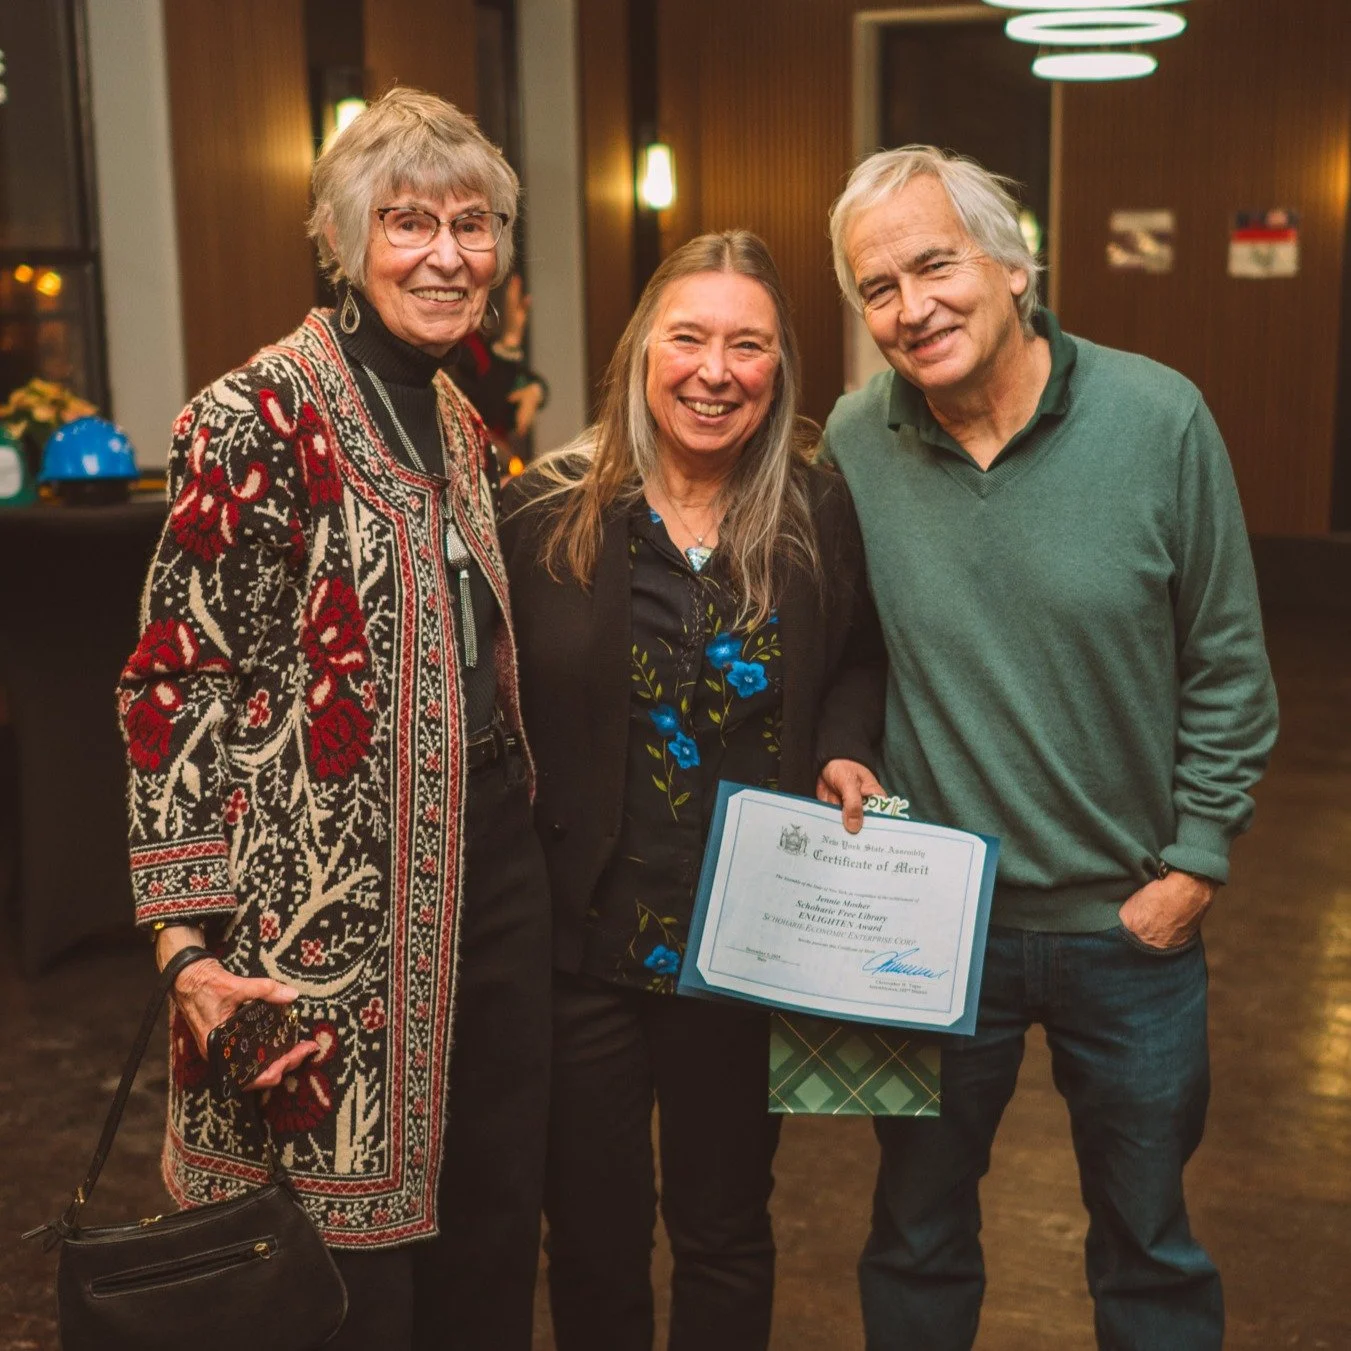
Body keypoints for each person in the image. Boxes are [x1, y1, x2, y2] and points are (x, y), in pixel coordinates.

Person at [816, 146, 1278, 1351]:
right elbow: (841, 645)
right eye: (876, 287)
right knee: (913, 1237)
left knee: (1149, 1247)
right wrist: (845, 746)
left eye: (933, 264)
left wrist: (1195, 866)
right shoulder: (854, 442)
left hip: (1126, 926)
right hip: (923, 931)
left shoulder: (1159, 416)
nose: (909, 308)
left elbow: (1227, 665)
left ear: (1012, 263)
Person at [116, 87, 550, 1351]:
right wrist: (183, 949)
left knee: (485, 1214)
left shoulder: (463, 421)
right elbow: (172, 681)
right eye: (408, 222)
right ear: (346, 240)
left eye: (473, 226)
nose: (446, 254)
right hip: (316, 915)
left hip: (492, 884)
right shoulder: (252, 415)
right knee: (337, 1266)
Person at [499, 230, 876, 1351]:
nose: (716, 370)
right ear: (641, 353)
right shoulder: (543, 514)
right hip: (583, 945)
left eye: (747, 345)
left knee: (724, 1230)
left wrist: (846, 744)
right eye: (691, 338)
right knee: (596, 1238)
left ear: (778, 369)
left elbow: (860, 655)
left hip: (741, 944)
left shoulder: (814, 511)